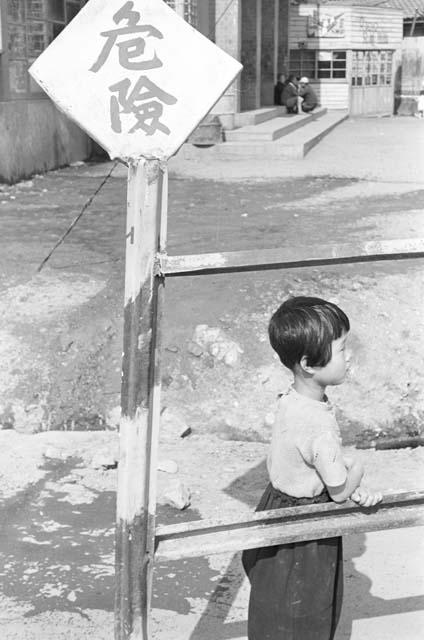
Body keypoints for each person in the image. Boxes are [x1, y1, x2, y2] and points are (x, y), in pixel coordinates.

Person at [242, 296, 382, 640]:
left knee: (273, 605)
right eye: (342, 348)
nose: (349, 356)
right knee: (306, 612)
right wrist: (358, 471)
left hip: (275, 506)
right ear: (308, 363)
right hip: (306, 525)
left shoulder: (290, 401)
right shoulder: (319, 426)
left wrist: (338, 469)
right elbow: (337, 493)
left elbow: (303, 458)